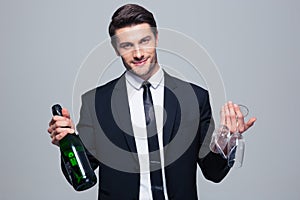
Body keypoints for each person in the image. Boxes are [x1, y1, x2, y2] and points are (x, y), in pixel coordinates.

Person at [47, 4, 256, 200]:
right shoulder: (96, 102)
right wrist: (67, 143)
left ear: (156, 38)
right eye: (127, 45)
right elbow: (80, 179)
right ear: (116, 49)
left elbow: (213, 173)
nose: (138, 54)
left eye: (144, 41)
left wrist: (226, 140)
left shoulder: (195, 97)